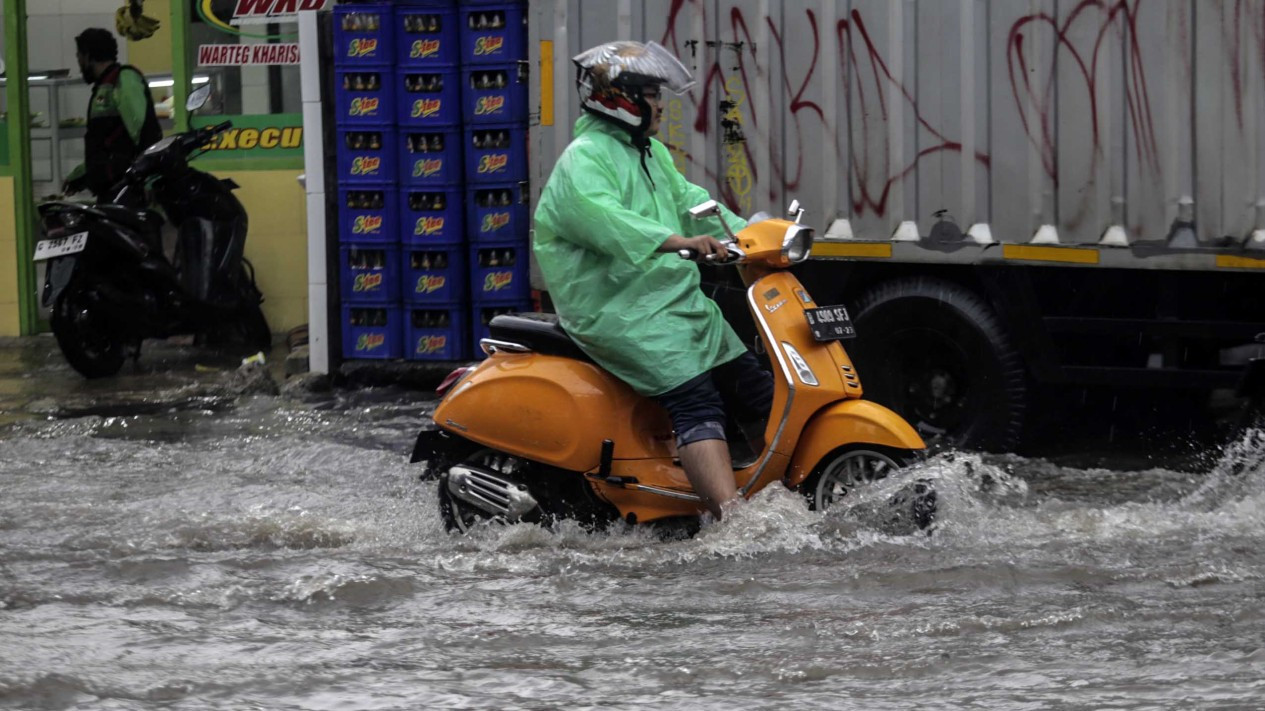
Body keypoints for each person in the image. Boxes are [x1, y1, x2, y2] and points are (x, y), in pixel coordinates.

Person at [533, 40, 774, 520]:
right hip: (619, 310)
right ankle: (733, 522)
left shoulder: (650, 153)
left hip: (672, 302)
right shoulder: (583, 158)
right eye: (650, 93)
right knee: (697, 399)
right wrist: (680, 241)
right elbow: (603, 219)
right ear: (618, 97)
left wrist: (753, 236)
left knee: (755, 387)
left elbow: (695, 202)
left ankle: (778, 490)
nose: (661, 105)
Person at [62, 27, 162, 200]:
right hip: (112, 189)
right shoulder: (104, 87)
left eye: (79, 55)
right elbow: (106, 146)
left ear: (88, 56)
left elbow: (145, 135)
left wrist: (149, 181)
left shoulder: (123, 80)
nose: (78, 61)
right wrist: (80, 177)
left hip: (128, 190)